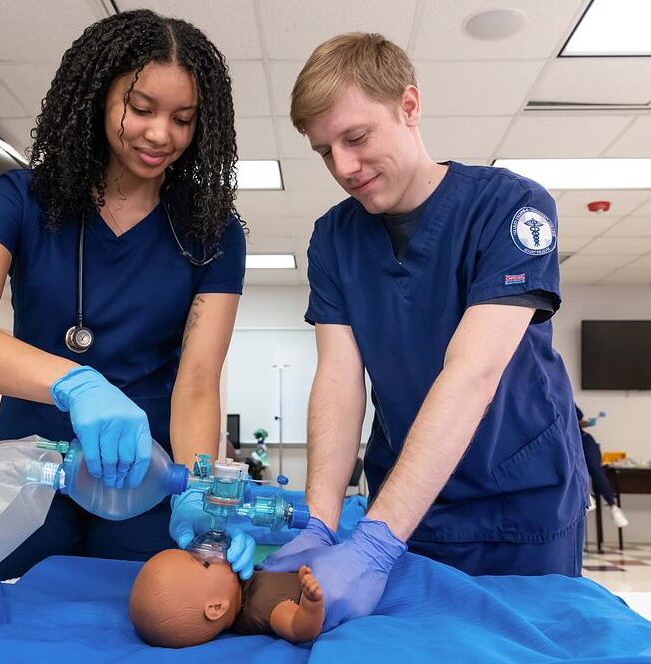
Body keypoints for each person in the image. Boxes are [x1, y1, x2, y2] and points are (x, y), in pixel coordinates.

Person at [261, 33, 588, 630]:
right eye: (324, 150)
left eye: (356, 138)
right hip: (410, 506)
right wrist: (320, 519)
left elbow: (472, 374)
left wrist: (374, 544)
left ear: (409, 107)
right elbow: (339, 381)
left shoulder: (512, 209)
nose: (343, 167)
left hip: (520, 502)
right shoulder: (334, 239)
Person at [0, 9, 254, 580]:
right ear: (100, 99)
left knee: (151, 614)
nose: (160, 135)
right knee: (8, 615)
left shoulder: (213, 232)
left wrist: (200, 491)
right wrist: (76, 384)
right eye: (141, 108)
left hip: (144, 479)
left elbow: (197, 382)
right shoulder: (18, 198)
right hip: (27, 469)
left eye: (183, 118)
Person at [129, 549, 324, 647]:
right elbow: (300, 630)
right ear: (216, 607)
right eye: (205, 562)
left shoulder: (243, 583)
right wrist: (311, 603)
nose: (212, 552)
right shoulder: (261, 607)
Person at [576, 405, 628, 528]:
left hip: (584, 441)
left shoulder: (565, 399)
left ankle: (613, 506)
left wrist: (588, 423)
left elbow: (579, 423)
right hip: (567, 443)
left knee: (595, 469)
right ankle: (586, 495)